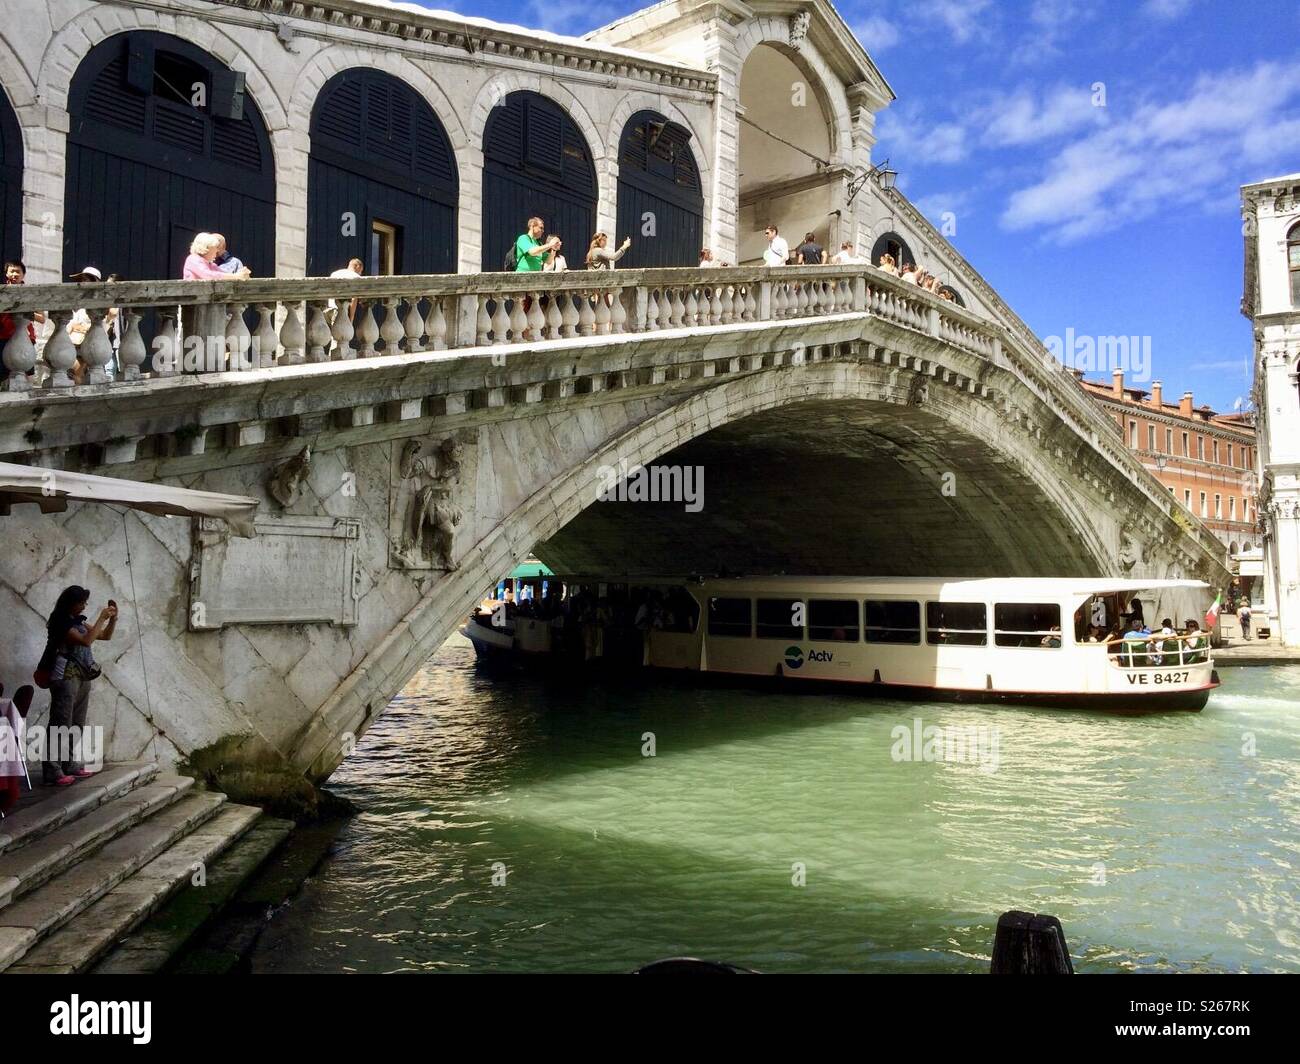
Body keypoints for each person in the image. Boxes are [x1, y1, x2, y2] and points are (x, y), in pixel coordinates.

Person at [41, 586, 117, 787]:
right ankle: (52, 769)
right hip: (65, 676)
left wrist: (112, 620)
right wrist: (101, 617)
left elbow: (104, 636)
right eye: (81, 603)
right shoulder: (61, 623)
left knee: (76, 723)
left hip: (82, 676)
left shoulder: (79, 622)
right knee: (60, 723)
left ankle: (70, 763)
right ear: (71, 603)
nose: (84, 606)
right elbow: (86, 640)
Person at [1, 258, 41, 357]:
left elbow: (42, 318)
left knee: (24, 370)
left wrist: (23, 310)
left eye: (18, 272)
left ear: (23, 275)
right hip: (3, 336)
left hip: (25, 337)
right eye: (12, 272)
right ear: (6, 274)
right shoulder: (2, 292)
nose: (14, 275)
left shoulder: (30, 294)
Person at [184, 233, 251, 280]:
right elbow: (208, 275)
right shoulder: (193, 259)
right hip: (193, 298)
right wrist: (236, 276)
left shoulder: (210, 264)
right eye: (215, 250)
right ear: (207, 249)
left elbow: (223, 274)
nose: (216, 254)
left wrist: (242, 273)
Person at [328, 257, 364, 326]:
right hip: (342, 312)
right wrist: (351, 320)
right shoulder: (356, 277)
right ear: (357, 267)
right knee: (342, 335)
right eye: (361, 271)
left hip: (330, 308)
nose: (360, 273)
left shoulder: (334, 274)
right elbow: (354, 299)